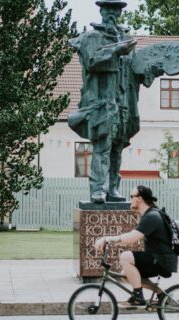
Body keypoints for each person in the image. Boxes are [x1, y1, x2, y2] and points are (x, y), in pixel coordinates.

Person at [67, 0, 136, 204]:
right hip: (101, 104)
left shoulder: (126, 39)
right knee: (102, 147)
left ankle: (112, 188)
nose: (113, 13)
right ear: (102, 11)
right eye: (109, 9)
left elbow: (133, 71)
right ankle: (97, 189)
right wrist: (116, 51)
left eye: (117, 10)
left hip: (122, 103)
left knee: (117, 148)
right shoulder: (91, 37)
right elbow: (92, 61)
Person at [93, 185, 178, 306]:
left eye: (132, 196)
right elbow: (128, 239)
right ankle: (162, 295)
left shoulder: (152, 216)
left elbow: (131, 238)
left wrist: (107, 239)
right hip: (160, 258)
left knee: (125, 257)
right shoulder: (149, 215)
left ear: (140, 199)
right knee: (125, 274)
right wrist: (112, 242)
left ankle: (138, 297)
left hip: (162, 259)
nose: (130, 199)